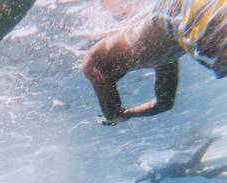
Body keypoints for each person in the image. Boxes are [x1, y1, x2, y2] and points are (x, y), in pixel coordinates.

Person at [83, 0, 226, 125]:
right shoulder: (159, 54)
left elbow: (111, 109)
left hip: (177, 11)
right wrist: (128, 114)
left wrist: (113, 117)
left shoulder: (92, 60)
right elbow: (164, 103)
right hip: (178, 10)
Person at [127, 136, 227, 183]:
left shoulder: (189, 163)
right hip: (178, 161)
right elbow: (154, 180)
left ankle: (221, 165)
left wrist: (209, 141)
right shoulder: (168, 173)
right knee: (207, 175)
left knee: (204, 172)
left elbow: (198, 154)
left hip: (180, 157)